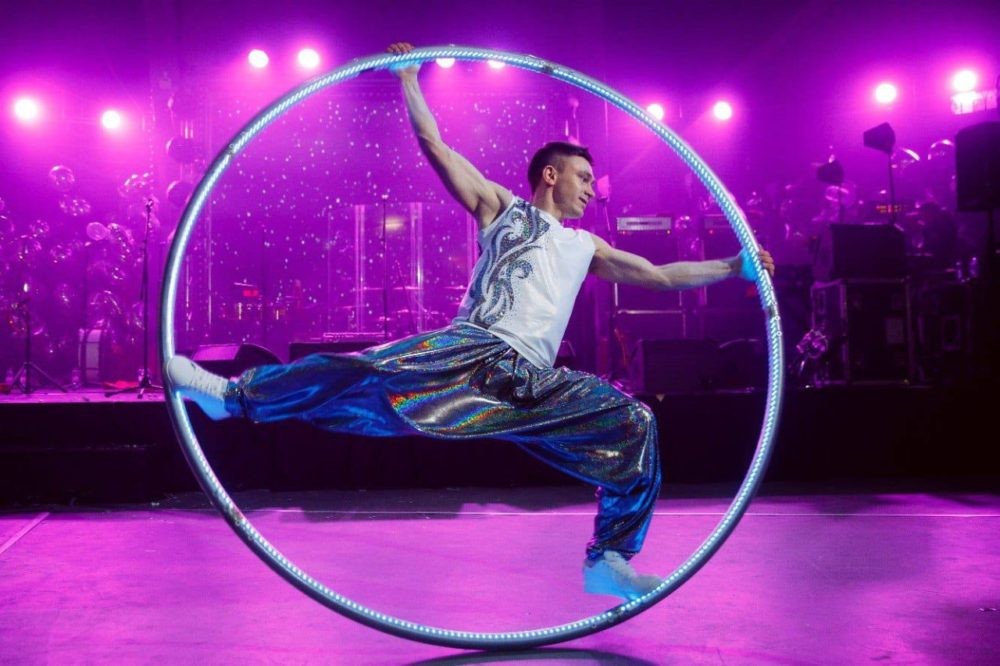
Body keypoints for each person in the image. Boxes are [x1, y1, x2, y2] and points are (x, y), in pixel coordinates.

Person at [166, 42, 775, 602]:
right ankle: (233, 397)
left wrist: (735, 266)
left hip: (534, 381)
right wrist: (410, 79)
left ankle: (608, 560)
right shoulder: (502, 208)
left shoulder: (586, 246)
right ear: (551, 175)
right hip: (471, 352)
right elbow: (436, 146)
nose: (593, 190)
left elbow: (662, 276)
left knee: (636, 425)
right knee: (359, 371)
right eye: (584, 177)